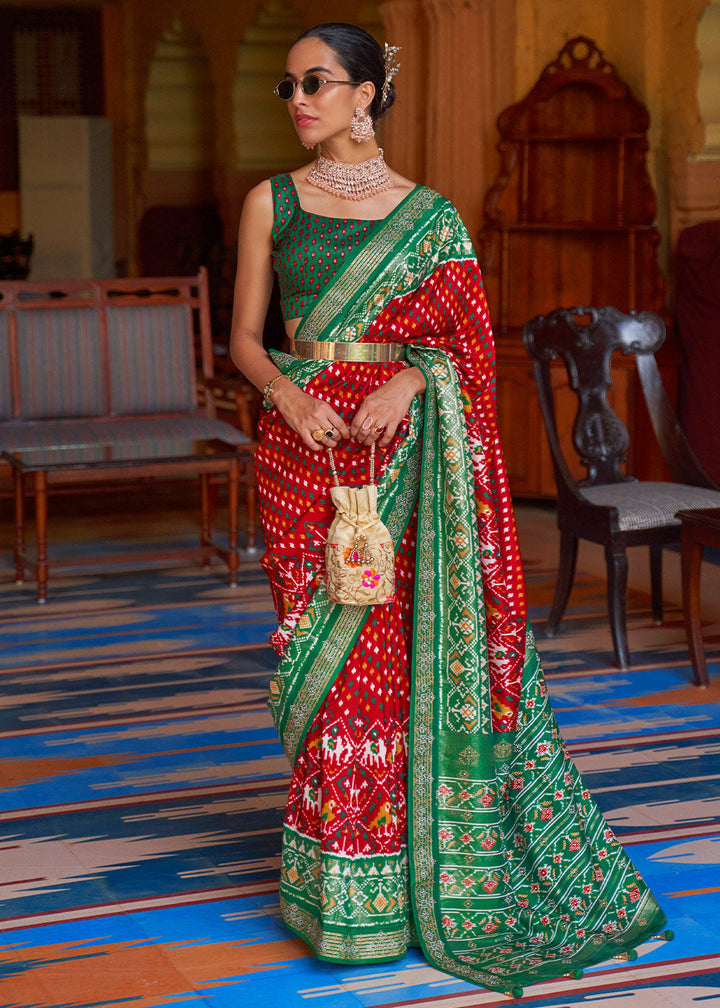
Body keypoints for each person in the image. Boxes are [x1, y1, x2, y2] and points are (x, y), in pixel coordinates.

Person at [229, 22, 669, 996]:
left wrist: (412, 382)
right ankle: (334, 888)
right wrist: (291, 395)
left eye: (317, 82)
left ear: (366, 94)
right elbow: (246, 343)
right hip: (304, 455)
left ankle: (394, 887)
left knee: (394, 664)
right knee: (319, 653)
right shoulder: (271, 201)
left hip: (408, 456)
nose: (298, 100)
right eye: (288, 86)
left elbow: (470, 347)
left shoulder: (431, 219)